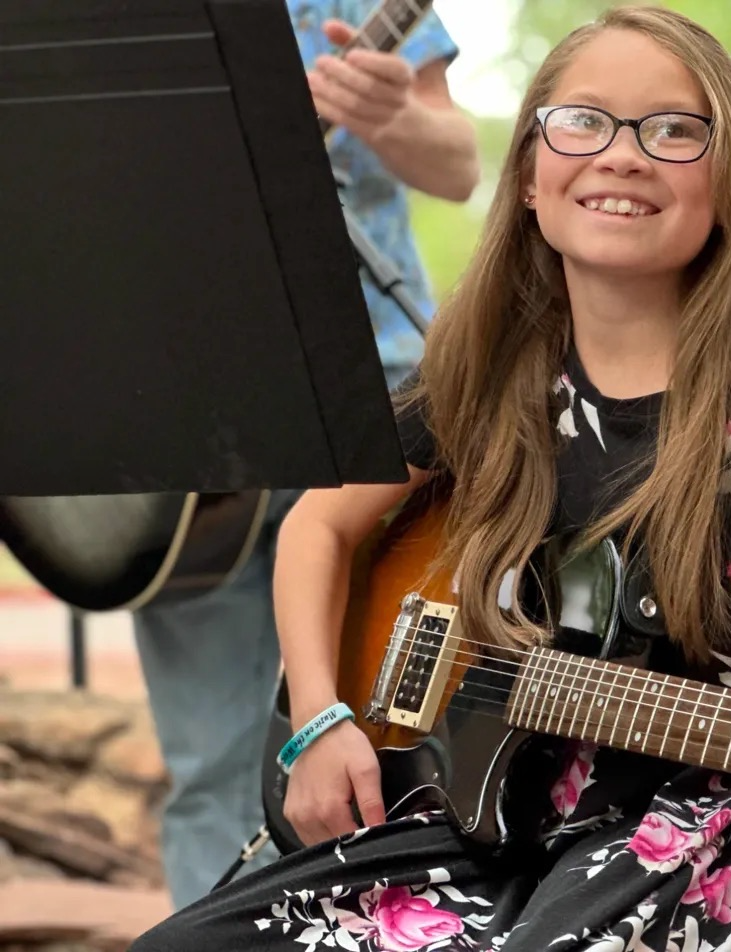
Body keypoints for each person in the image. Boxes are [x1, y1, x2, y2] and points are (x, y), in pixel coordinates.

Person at [130, 6, 731, 949]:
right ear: (526, 176)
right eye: (582, 120)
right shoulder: (495, 363)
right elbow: (320, 527)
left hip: (690, 824)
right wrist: (318, 719)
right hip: (477, 810)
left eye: (675, 130)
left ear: (728, 183)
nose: (622, 156)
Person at [131, 2, 479, 911]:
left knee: (395, 746)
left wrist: (391, 115)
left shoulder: (367, 8)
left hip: (372, 401)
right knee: (209, 760)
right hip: (180, 420)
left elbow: (460, 166)